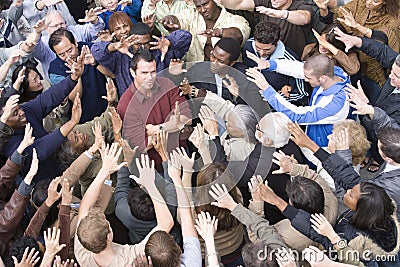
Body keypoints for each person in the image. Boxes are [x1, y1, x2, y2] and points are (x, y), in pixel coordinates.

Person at [74, 151, 174, 266]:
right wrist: (150, 184)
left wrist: (104, 171)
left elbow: (85, 206)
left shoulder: (82, 252)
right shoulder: (129, 259)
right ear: (109, 235)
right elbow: (167, 223)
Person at [1, 54, 85, 182]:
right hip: (42, 183)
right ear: (5, 121)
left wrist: (73, 77)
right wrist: (72, 122)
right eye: (15, 114)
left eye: (18, 108)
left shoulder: (26, 111)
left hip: (60, 165)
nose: (21, 112)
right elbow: (40, 150)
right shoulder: (8, 144)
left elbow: (48, 98)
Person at [246, 53, 350, 147]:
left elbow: (297, 115)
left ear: (323, 78)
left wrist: (267, 89)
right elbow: (299, 68)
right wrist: (269, 64)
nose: (305, 79)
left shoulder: (336, 104)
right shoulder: (335, 73)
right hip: (311, 132)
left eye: (308, 78)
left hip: (324, 145)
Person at [335, 29, 400, 173]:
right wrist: (357, 41)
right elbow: (383, 52)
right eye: (392, 71)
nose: (390, 77)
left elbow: (393, 133)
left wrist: (370, 109)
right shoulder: (396, 69)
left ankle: (379, 158)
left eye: (396, 75)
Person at [118, 50, 191, 172]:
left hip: (181, 155)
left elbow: (186, 118)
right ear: (132, 72)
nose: (150, 77)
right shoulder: (126, 105)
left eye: (153, 72)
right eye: (144, 73)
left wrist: (158, 129)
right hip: (155, 168)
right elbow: (141, 146)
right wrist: (174, 124)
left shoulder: (166, 84)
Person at [92, 14, 192, 97]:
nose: (143, 47)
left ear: (151, 40)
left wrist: (169, 42)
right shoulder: (119, 57)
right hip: (133, 108)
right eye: (138, 44)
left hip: (162, 104)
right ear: (131, 41)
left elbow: (186, 36)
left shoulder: (161, 49)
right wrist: (114, 46)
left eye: (146, 43)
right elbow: (96, 50)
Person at [175, 37, 270, 118]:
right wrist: (175, 75)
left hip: (236, 125)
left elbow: (258, 109)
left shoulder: (246, 76)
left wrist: (238, 95)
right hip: (205, 121)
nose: (213, 63)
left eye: (220, 61)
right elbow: (180, 89)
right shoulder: (199, 69)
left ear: (232, 63)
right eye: (213, 56)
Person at [317, 0, 399, 92]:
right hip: (352, 59)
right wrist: (323, 9)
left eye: (375, 1)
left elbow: (383, 38)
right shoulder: (359, 4)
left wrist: (357, 26)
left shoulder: (392, 19)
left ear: (385, 2)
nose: (368, 2)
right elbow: (335, 21)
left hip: (374, 70)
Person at [159, 0, 250, 62]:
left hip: (226, 75)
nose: (202, 10)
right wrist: (170, 20)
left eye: (205, 4)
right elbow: (178, 19)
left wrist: (219, 32)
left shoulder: (235, 19)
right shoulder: (191, 15)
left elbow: (238, 36)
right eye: (198, 6)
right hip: (196, 73)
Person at [48, 28, 108, 123]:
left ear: (75, 42)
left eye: (69, 50)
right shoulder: (55, 70)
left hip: (107, 107)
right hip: (85, 120)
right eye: (62, 55)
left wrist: (95, 62)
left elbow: (112, 73)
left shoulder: (89, 49)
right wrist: (76, 75)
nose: (68, 57)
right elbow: (75, 96)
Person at [242, 21, 309, 106]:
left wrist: (276, 97)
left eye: (267, 50)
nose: (261, 53)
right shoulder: (248, 46)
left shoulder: (291, 61)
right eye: (258, 48)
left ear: (277, 42)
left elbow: (302, 94)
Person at [217, 0, 313, 57]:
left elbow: (304, 18)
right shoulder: (265, 2)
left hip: (289, 61)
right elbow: (238, 4)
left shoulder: (301, 5)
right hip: (261, 56)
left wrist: (282, 14)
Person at [33, 9, 105, 80]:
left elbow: (95, 31)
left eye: (61, 24)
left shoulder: (74, 31)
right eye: (55, 26)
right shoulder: (44, 43)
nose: (59, 27)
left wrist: (95, 22)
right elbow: (35, 49)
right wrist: (37, 34)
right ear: (47, 29)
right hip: (62, 82)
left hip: (91, 76)